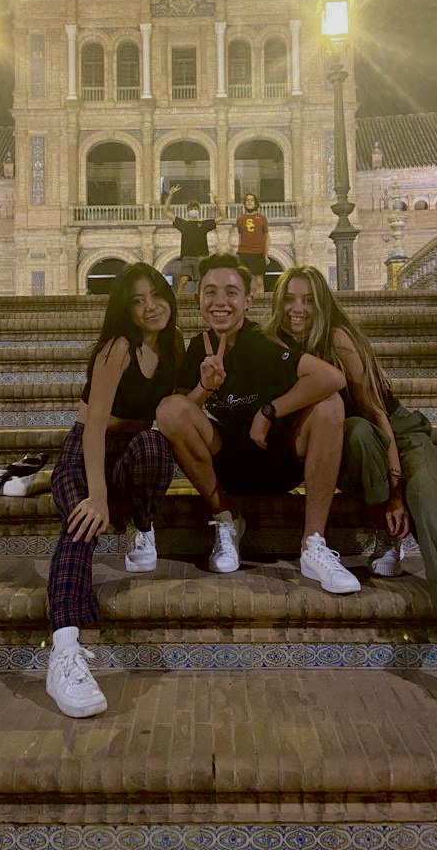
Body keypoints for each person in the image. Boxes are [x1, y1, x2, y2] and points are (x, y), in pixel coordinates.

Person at [265, 265, 437, 726]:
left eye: (307, 299)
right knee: (354, 432)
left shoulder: (338, 339)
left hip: (402, 438)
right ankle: (385, 532)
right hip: (361, 442)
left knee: (428, 507)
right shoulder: (275, 347)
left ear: (322, 304)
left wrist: (398, 493)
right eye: (289, 299)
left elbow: (381, 416)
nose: (298, 309)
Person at [156, 253, 360, 593]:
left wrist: (269, 412)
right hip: (227, 464)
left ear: (248, 300)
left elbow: (331, 377)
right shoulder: (197, 347)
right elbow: (177, 418)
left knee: (330, 406)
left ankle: (314, 543)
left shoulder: (263, 341)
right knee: (169, 408)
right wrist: (205, 388)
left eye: (231, 292)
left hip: (279, 456)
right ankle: (225, 517)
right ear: (197, 299)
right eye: (210, 292)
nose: (220, 302)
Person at [45, 263, 181, 718]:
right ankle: (64, 648)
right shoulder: (118, 346)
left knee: (156, 444)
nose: (149, 306)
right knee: (80, 524)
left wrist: (207, 388)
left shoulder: (174, 344)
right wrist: (97, 495)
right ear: (125, 309)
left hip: (133, 456)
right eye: (136, 300)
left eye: (155, 294)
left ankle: (142, 524)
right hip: (86, 451)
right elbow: (95, 425)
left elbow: (171, 410)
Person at [163, 184, 225, 294]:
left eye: (196, 209)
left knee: (199, 285)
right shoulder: (184, 224)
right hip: (187, 258)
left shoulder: (203, 224)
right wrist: (171, 195)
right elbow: (166, 212)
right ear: (188, 211)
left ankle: (199, 307)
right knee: (183, 282)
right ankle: (179, 304)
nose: (194, 210)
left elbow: (223, 217)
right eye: (192, 209)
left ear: (198, 211)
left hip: (201, 258)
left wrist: (217, 203)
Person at [235, 192, 269, 297]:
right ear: (244, 203)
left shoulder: (262, 218)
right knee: (243, 280)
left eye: (252, 200)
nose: (249, 202)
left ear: (256, 203)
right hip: (243, 252)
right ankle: (243, 305)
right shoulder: (240, 219)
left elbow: (267, 237)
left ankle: (260, 304)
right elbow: (240, 236)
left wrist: (266, 255)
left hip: (257, 252)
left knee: (259, 281)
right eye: (247, 200)